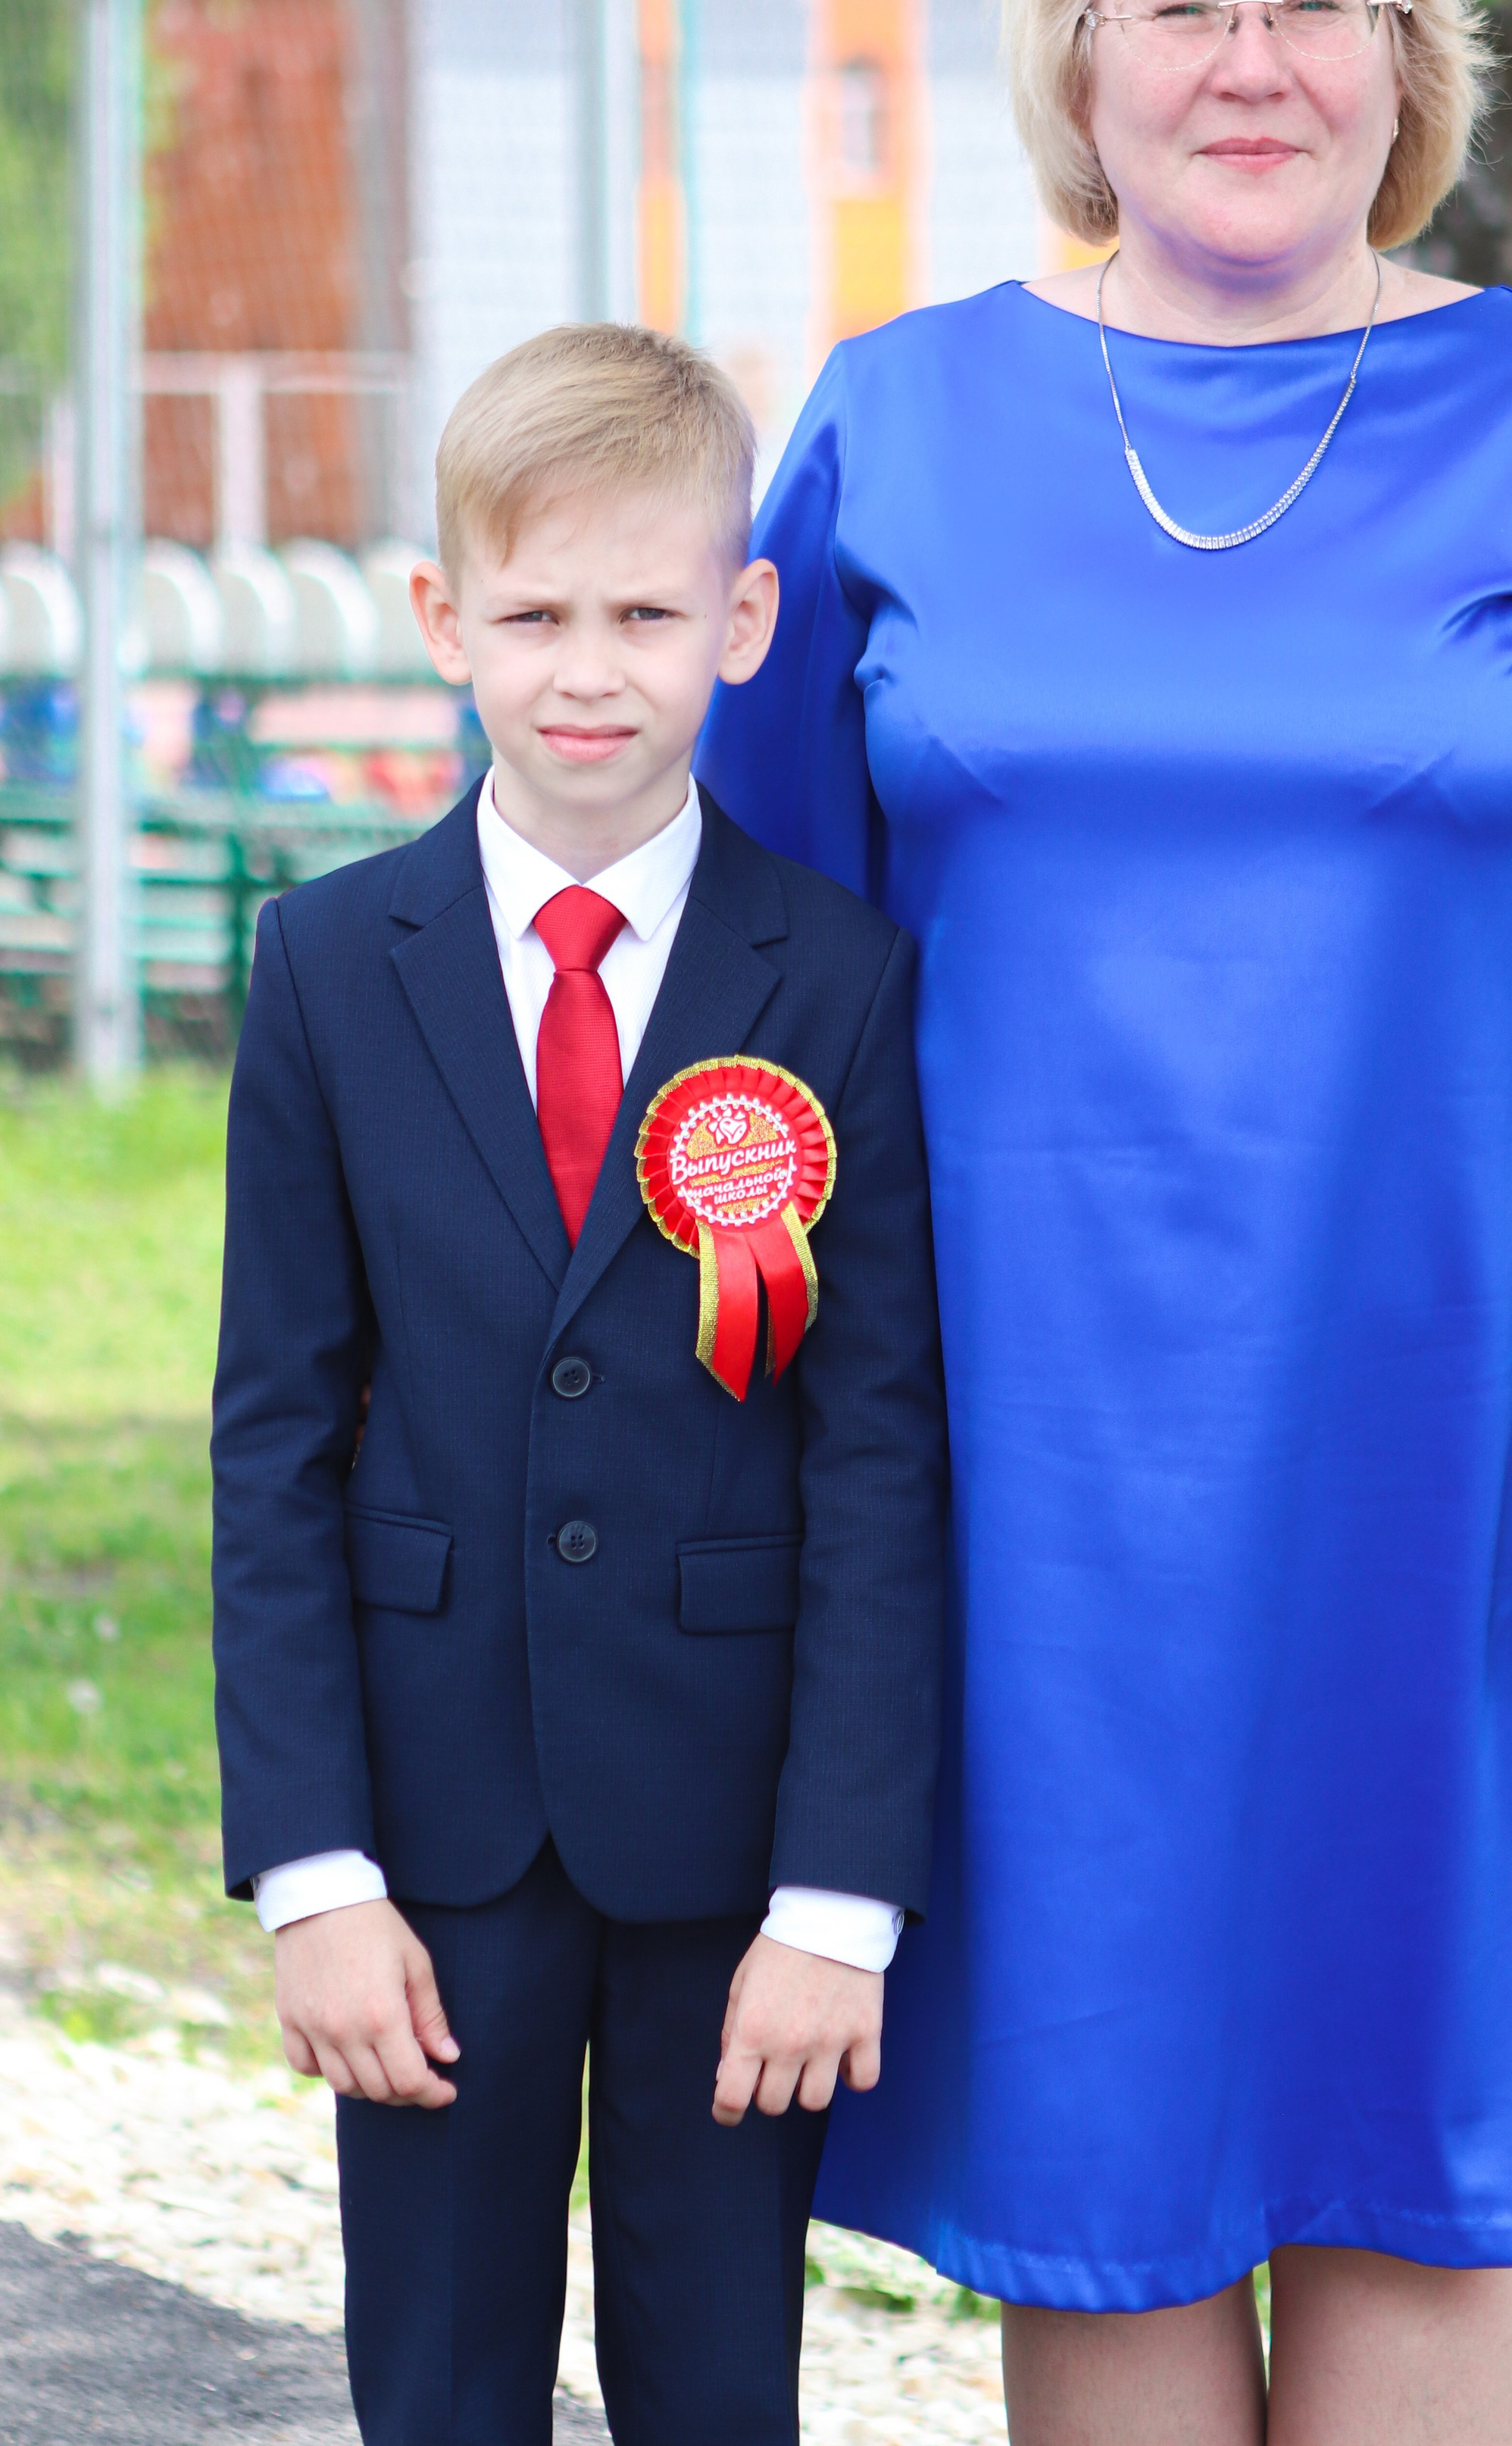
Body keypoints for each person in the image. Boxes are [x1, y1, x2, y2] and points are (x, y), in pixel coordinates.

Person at [698, 0, 1512, 2446]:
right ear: (1077, 66)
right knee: (1092, 2177)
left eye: (1317, 5)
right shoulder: (902, 420)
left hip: (1442, 1467)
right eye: (1181, 7)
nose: (1253, 62)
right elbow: (750, 987)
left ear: (1409, 61)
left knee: (1404, 2156)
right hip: (1009, 1469)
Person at [211, 324, 948, 2446]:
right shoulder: (329, 966)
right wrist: (314, 1875)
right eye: (533, 614)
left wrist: (840, 1895)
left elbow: (883, 1455)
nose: (590, 668)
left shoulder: (844, 979)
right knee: (439, 2387)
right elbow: (272, 1443)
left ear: (741, 620)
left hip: (736, 1856)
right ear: (446, 621)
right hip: (427, 1849)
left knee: (718, 2389)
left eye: (647, 612)